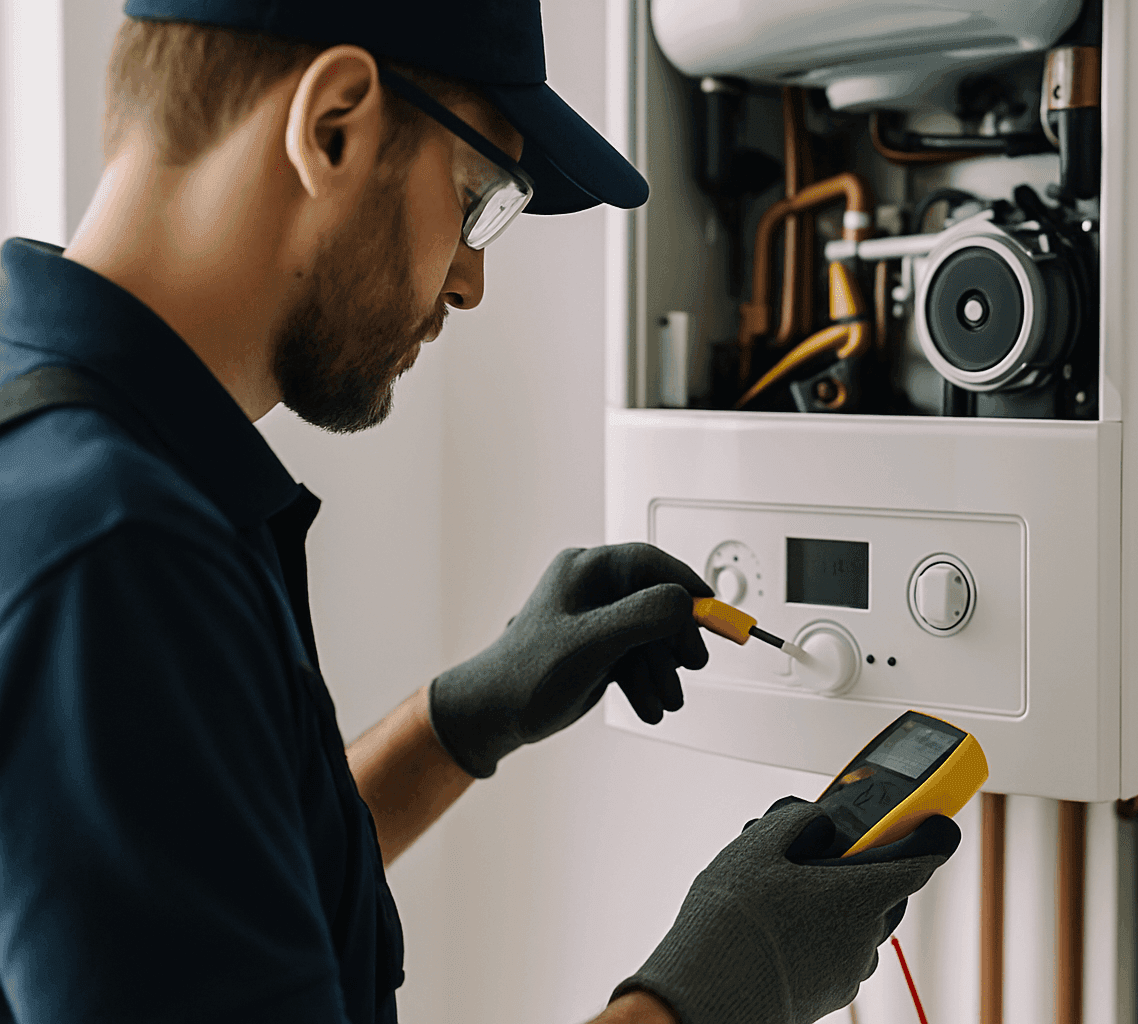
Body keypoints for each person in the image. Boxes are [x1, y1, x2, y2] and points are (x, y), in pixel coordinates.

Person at [0, 1, 961, 1022]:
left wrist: (465, 713)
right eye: (478, 200)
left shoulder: (70, 441)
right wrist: (718, 988)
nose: (471, 282)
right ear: (332, 125)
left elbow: (214, 891)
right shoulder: (117, 561)